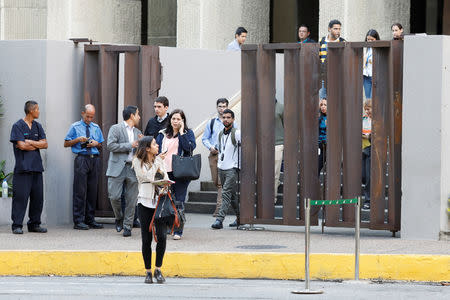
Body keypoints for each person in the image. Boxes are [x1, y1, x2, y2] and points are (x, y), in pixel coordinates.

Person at [132, 136, 169, 284]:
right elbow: (146, 177)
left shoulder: (159, 160)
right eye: (154, 144)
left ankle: (158, 269)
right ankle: (148, 272)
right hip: (144, 203)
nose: (157, 145)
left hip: (159, 202)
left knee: (162, 237)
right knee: (146, 239)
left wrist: (165, 182)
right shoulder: (137, 162)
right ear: (147, 148)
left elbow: (164, 176)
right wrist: (157, 162)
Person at [156, 109, 196, 240]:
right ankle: (169, 226)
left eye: (178, 119)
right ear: (170, 119)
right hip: (165, 172)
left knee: (179, 201)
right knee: (167, 200)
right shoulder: (163, 134)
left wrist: (182, 132)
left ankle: (178, 230)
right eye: (173, 118)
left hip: (181, 173)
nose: (175, 121)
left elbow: (189, 148)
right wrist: (158, 157)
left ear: (182, 121)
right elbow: (155, 149)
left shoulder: (188, 133)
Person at [9, 100, 48, 234]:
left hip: (37, 168)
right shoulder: (17, 126)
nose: (38, 111)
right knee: (20, 197)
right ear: (31, 110)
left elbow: (45, 144)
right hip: (23, 169)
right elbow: (21, 145)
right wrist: (37, 144)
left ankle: (34, 224)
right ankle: (17, 225)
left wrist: (31, 142)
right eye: (37, 109)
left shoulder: (38, 126)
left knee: (38, 198)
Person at [64, 104, 104, 230]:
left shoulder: (96, 127)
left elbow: (101, 145)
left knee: (92, 191)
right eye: (87, 116)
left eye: (92, 117)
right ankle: (78, 220)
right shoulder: (75, 126)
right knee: (80, 190)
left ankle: (90, 219)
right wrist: (77, 140)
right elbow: (66, 143)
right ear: (82, 113)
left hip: (94, 159)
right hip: (82, 159)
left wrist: (96, 144)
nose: (89, 119)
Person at [106, 105, 142, 237]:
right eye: (138, 114)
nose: (139, 117)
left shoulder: (138, 132)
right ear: (132, 115)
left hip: (132, 168)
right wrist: (130, 145)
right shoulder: (115, 128)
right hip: (117, 168)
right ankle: (119, 217)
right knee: (114, 196)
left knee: (132, 199)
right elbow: (110, 145)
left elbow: (139, 152)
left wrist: (142, 145)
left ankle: (128, 226)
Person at [211, 109, 240, 229]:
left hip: (232, 168)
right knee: (232, 195)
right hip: (221, 167)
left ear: (233, 119)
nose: (226, 119)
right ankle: (240, 218)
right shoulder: (220, 134)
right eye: (224, 117)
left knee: (226, 193)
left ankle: (219, 219)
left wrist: (238, 165)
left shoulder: (237, 133)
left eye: (229, 117)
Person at [201, 98, 229, 217]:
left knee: (220, 183)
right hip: (213, 154)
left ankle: (219, 209)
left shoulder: (232, 122)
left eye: (224, 106)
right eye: (220, 106)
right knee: (215, 181)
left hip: (226, 155)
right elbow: (204, 138)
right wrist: (210, 147)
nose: (222, 109)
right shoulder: (211, 122)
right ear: (217, 107)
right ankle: (227, 203)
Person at [319, 20, 345, 98]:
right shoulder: (321, 41)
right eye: (335, 29)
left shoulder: (342, 42)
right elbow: (317, 58)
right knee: (323, 100)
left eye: (339, 29)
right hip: (323, 76)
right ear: (329, 29)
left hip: (337, 76)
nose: (338, 31)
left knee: (336, 99)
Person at [363, 29, 380, 100]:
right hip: (366, 76)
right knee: (368, 99)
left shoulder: (379, 49)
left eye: (371, 40)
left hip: (375, 76)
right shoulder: (366, 48)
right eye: (368, 39)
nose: (369, 41)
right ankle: (368, 111)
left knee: (374, 99)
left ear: (376, 39)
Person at [362, 99, 372, 209]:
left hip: (371, 149)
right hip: (363, 148)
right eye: (365, 110)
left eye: (368, 109)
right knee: (363, 175)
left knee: (369, 176)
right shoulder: (364, 119)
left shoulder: (377, 120)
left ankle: (368, 200)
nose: (367, 111)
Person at [274, 99, 284, 203]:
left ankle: (273, 197)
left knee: (275, 173)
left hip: (278, 143)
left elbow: (287, 125)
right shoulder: (262, 106)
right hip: (264, 144)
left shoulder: (281, 107)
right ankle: (277, 183)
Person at [318, 96, 327, 176]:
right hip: (321, 146)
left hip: (330, 147)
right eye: (322, 105)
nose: (323, 107)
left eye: (325, 105)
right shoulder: (319, 117)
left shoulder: (333, 118)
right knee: (317, 167)